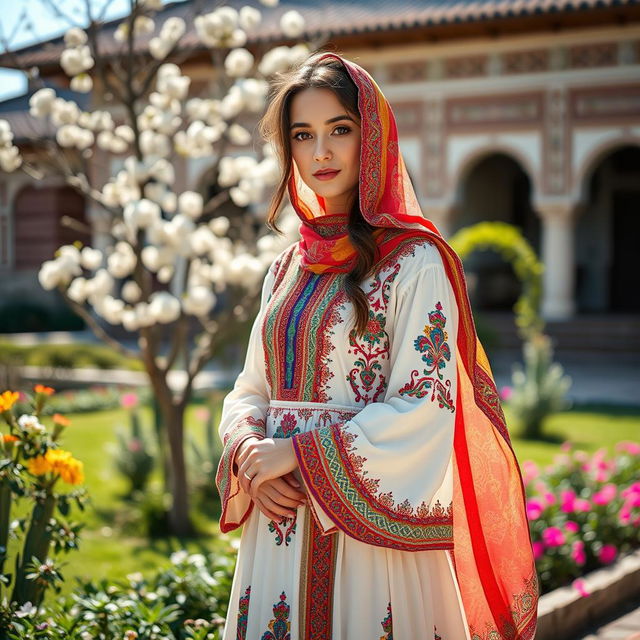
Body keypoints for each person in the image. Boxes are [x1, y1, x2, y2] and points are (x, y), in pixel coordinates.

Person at [215, 51, 538, 640]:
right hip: (280, 527)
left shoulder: (416, 262)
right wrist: (249, 451)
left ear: (373, 137)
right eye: (303, 135)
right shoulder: (286, 268)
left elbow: (426, 405)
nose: (321, 153)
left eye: (339, 130)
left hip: (371, 543)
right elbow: (250, 387)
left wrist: (299, 456)